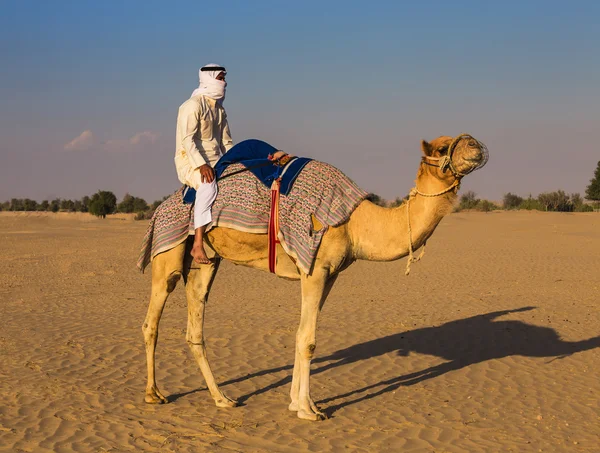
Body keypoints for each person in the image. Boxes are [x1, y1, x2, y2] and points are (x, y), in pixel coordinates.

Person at [175, 64, 233, 264]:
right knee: (208, 187)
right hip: (190, 161)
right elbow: (187, 141)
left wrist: (234, 162)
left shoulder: (219, 109)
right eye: (221, 77)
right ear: (209, 78)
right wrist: (201, 165)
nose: (224, 81)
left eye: (224, 77)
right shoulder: (192, 105)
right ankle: (198, 244)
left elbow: (226, 143)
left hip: (216, 161)